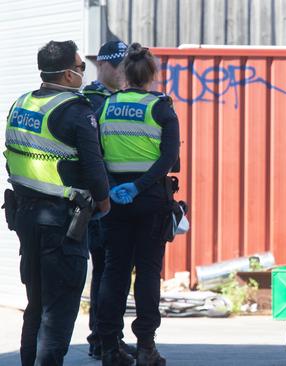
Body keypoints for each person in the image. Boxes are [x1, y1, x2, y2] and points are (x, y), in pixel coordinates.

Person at [4, 40, 110, 365]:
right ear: (67, 74)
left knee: (35, 307)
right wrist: (104, 203)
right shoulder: (76, 111)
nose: (82, 72)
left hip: (25, 216)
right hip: (62, 225)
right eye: (80, 67)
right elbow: (94, 167)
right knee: (58, 312)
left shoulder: (22, 103)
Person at [95, 43, 180, 366]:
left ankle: (108, 347)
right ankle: (146, 346)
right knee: (147, 272)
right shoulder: (161, 108)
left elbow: (95, 154)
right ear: (152, 75)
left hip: (115, 202)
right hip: (150, 200)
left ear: (124, 73)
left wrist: (115, 187)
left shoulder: (104, 107)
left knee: (114, 272)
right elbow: (169, 158)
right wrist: (138, 186)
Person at [82, 39, 137, 361]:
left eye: (127, 66)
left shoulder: (119, 100)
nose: (123, 73)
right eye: (118, 66)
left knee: (113, 271)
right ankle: (104, 339)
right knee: (107, 271)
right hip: (102, 199)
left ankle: (106, 336)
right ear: (102, 64)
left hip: (122, 196)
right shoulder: (91, 101)